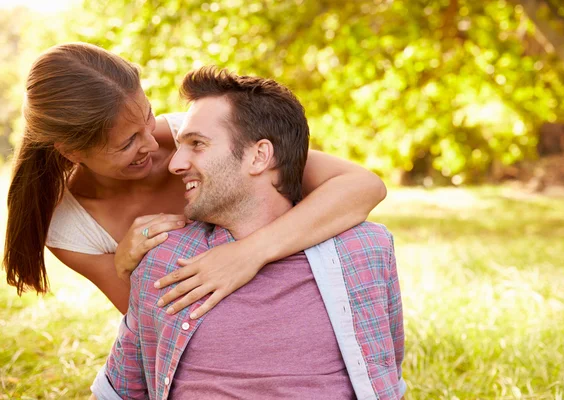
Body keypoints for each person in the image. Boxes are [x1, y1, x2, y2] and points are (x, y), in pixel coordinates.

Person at [3, 42, 387, 317]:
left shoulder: (198, 137)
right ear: (70, 152)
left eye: (148, 117)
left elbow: (364, 186)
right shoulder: (72, 228)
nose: (153, 144)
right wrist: (122, 266)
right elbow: (152, 323)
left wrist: (249, 253)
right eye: (127, 143)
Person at [91, 67, 406, 400]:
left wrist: (251, 253)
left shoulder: (365, 250)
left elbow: (385, 374)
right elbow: (121, 391)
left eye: (197, 144)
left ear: (259, 156)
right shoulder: (162, 256)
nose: (174, 164)